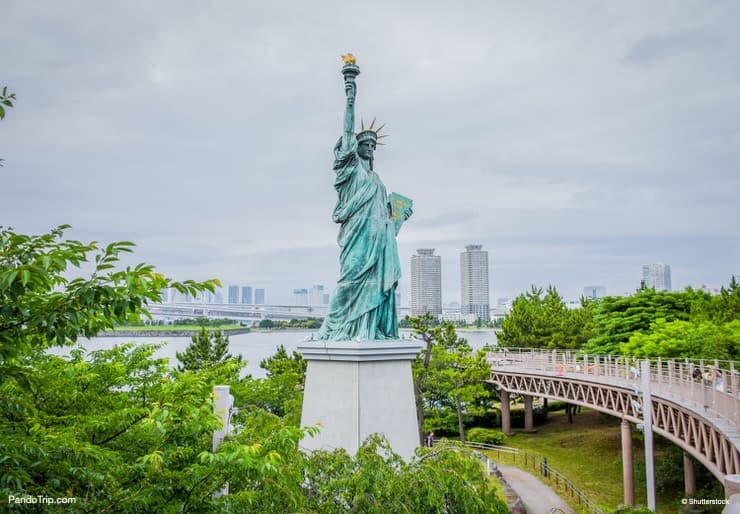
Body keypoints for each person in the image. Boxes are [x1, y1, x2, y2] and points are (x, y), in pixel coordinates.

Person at [318, 66, 412, 341]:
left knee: (376, 284)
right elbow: (347, 129)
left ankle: (369, 329)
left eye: (373, 145)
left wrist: (399, 216)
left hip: (378, 241)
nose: (371, 148)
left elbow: (385, 220)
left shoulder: (377, 179)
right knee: (349, 282)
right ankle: (334, 328)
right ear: (355, 148)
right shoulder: (350, 170)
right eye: (365, 143)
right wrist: (350, 95)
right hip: (356, 236)